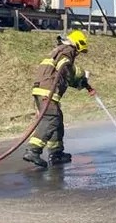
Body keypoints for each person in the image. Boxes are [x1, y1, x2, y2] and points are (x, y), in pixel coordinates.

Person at [23, 29, 96, 168]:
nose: (78, 54)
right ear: (77, 44)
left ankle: (56, 153)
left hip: (43, 89)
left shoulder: (59, 50)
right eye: (79, 51)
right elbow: (64, 67)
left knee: (57, 119)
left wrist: (80, 82)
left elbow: (64, 74)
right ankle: (33, 151)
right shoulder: (67, 50)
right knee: (51, 119)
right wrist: (78, 73)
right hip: (47, 91)